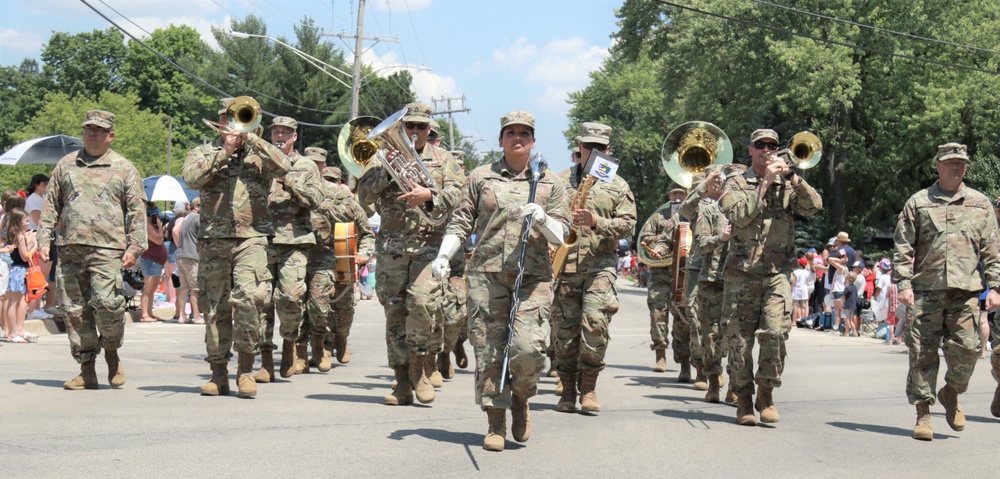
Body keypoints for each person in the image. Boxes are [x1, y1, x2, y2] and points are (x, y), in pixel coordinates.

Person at [431, 110, 569, 452]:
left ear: (534, 140)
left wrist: (543, 220)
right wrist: (444, 255)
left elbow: (563, 234)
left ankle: (521, 398)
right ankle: (495, 421)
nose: (518, 138)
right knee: (489, 351)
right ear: (501, 139)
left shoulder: (551, 181)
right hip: (487, 275)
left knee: (528, 349)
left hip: (533, 276)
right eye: (511, 132)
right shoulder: (480, 177)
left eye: (525, 133)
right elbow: (461, 222)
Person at [357, 102, 465, 406]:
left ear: (429, 129)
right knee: (395, 314)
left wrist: (430, 194)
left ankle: (420, 370)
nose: (415, 132)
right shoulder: (381, 159)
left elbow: (459, 195)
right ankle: (401, 380)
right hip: (392, 248)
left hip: (429, 246)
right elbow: (363, 197)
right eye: (409, 127)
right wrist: (388, 173)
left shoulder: (444, 160)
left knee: (422, 303)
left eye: (420, 127)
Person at [182, 97, 291, 398]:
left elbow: (285, 168)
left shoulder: (260, 155)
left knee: (249, 299)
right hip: (213, 240)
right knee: (214, 308)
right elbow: (191, 178)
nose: (232, 126)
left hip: (252, 238)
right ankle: (218, 374)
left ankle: (245, 369)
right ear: (218, 123)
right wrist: (226, 151)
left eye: (238, 119)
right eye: (226, 120)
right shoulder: (203, 153)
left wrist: (253, 138)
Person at [893, 142, 1000, 440]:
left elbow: (992, 249)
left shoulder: (980, 204)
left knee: (967, 351)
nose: (956, 167)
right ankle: (923, 415)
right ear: (938, 165)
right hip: (926, 293)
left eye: (961, 162)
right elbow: (903, 246)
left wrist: (996, 287)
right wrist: (903, 283)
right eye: (950, 162)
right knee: (922, 356)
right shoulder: (918, 202)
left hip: (965, 293)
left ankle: (951, 392)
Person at [38, 110, 148, 390]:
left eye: (98, 130)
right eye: (88, 128)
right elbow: (50, 206)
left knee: (109, 305)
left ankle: (111, 351)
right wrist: (43, 240)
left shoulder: (124, 167)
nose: (92, 133)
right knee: (75, 311)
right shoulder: (66, 165)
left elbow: (137, 210)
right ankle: (87, 369)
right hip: (71, 248)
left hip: (107, 249)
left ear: (110, 136)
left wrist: (135, 247)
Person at [719, 128, 822, 426]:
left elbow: (814, 207)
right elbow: (739, 215)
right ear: (750, 150)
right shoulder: (735, 181)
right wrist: (764, 183)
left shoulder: (787, 182)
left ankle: (766, 392)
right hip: (741, 273)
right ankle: (743, 399)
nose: (767, 149)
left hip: (777, 272)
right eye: (760, 145)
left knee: (776, 333)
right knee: (739, 341)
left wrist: (792, 178)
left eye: (772, 145)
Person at [550, 122, 636, 413]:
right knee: (564, 333)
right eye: (589, 147)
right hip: (564, 266)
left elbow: (628, 225)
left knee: (595, 325)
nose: (595, 153)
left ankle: (589, 389)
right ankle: (567, 391)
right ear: (580, 148)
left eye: (601, 148)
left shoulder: (617, 184)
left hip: (599, 266)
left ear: (608, 150)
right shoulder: (559, 181)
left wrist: (597, 222)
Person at [256, 116, 323, 382]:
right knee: (261, 301)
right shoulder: (259, 162)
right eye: (276, 132)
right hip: (262, 240)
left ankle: (289, 343)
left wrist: (289, 179)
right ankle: (265, 360)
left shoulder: (306, 166)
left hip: (295, 241)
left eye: (286, 133)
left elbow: (316, 200)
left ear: (295, 137)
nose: (280, 136)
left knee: (292, 297)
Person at [300, 158, 374, 373]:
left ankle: (340, 338)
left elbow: (366, 231)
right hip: (304, 255)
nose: (330, 183)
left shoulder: (342, 197)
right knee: (308, 305)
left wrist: (363, 254)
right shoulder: (300, 192)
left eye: (333, 180)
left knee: (342, 307)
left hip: (340, 255)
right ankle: (312, 349)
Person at [690, 165, 734, 402]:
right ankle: (714, 380)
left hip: (740, 279)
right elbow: (702, 243)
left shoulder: (745, 207)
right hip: (712, 279)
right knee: (711, 336)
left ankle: (736, 386)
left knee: (737, 336)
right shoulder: (708, 210)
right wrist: (722, 238)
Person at [637, 184, 690, 374]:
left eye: (681, 194)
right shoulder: (658, 216)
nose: (677, 196)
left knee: (683, 317)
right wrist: (665, 240)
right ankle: (660, 355)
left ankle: (685, 362)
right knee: (658, 313)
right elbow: (645, 237)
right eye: (674, 193)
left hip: (683, 272)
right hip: (661, 272)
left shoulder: (691, 213)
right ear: (669, 195)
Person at [1, 208, 35, 343]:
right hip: (18, 270)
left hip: (13, 269)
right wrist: (35, 247)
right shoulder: (20, 236)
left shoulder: (12, 234)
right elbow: (25, 256)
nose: (28, 223)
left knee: (11, 301)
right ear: (19, 222)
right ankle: (12, 333)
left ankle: (10, 331)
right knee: (13, 302)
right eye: (26, 221)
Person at [24, 174, 53, 321]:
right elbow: (37, 220)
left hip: (45, 237)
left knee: (43, 275)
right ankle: (33, 308)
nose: (47, 185)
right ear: (37, 184)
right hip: (37, 237)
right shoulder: (33, 199)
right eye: (45, 183)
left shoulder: (42, 198)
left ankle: (37, 307)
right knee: (37, 273)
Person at [174, 198, 203, 324]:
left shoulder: (185, 218)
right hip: (192, 256)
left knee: (184, 288)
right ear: (196, 206)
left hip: (181, 255)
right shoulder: (197, 218)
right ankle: (196, 316)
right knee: (195, 288)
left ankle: (182, 316)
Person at [139, 202, 168, 322]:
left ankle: (149, 312)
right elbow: (158, 239)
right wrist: (160, 226)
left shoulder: (153, 227)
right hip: (150, 260)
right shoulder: (148, 226)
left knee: (152, 289)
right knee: (148, 288)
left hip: (157, 261)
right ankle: (144, 314)